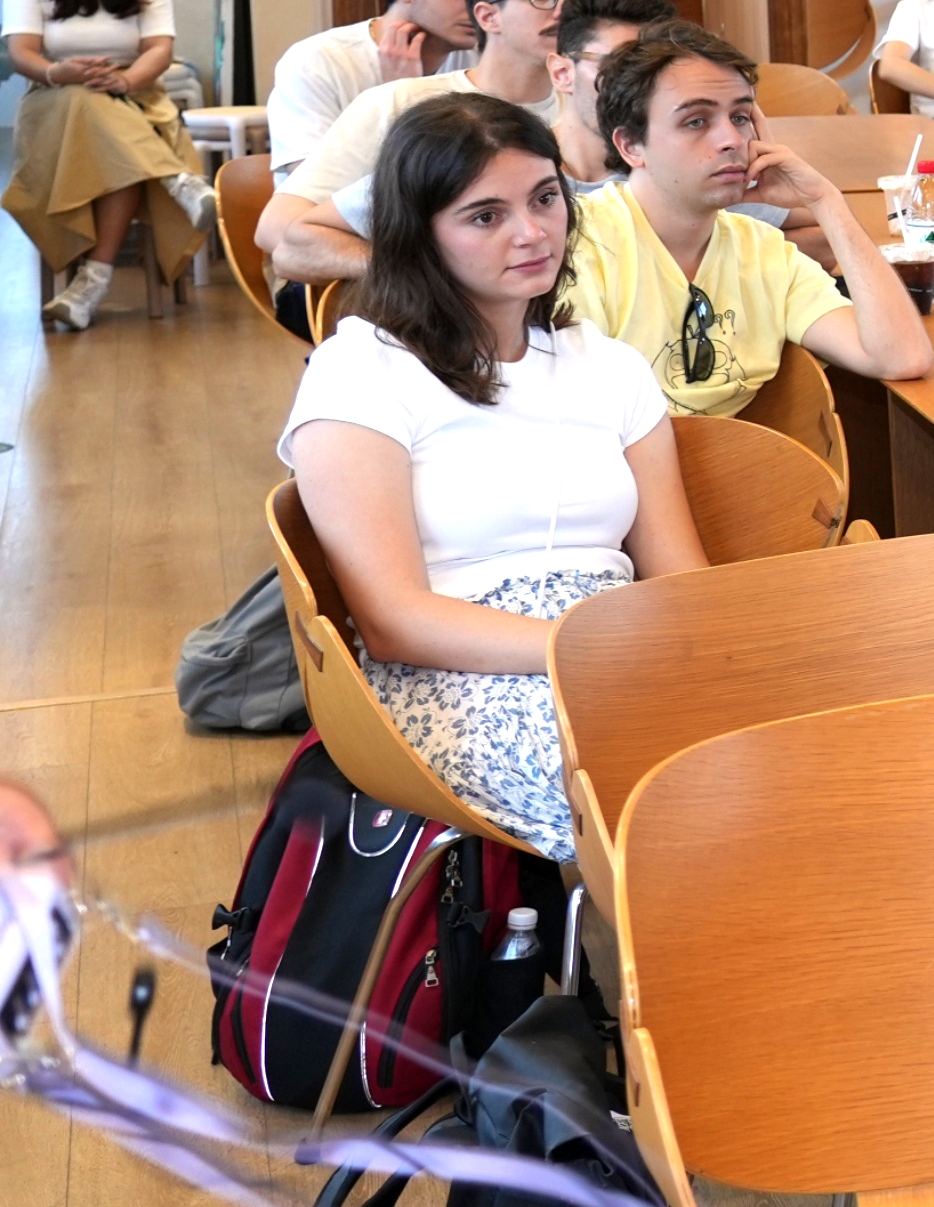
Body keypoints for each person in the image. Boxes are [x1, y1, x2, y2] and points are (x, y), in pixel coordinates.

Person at [274, 92, 708, 860]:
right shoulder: (362, 369)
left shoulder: (609, 365)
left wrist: (694, 658)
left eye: (545, 197)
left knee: (784, 749)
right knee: (658, 789)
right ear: (420, 236)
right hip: (455, 661)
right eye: (485, 215)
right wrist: (586, 648)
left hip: (621, 644)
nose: (533, 232)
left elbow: (681, 579)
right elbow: (394, 621)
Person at [568, 24, 932, 417]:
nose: (731, 139)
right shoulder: (579, 246)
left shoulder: (765, 250)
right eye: (696, 121)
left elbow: (901, 357)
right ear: (630, 145)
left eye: (740, 117)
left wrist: (826, 202)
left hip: (747, 453)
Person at [262, 0, 585, 295]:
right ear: (487, 15)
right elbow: (277, 230)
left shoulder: (587, 112)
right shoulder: (398, 102)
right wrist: (425, 274)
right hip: (423, 306)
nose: (564, 10)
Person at [4, 0, 210, 332]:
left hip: (136, 98)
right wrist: (60, 72)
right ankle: (177, 179)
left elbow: (159, 48)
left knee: (114, 147)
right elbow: (22, 54)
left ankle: (90, 286)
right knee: (84, 100)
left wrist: (126, 80)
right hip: (53, 101)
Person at [266, 0, 482, 176]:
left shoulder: (481, 60)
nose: (478, 5)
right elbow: (313, 187)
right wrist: (400, 98)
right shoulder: (316, 62)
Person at [543, 0, 682, 189]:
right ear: (562, 73)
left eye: (655, 69)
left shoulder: (681, 175)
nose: (638, 84)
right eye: (619, 65)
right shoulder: (519, 170)